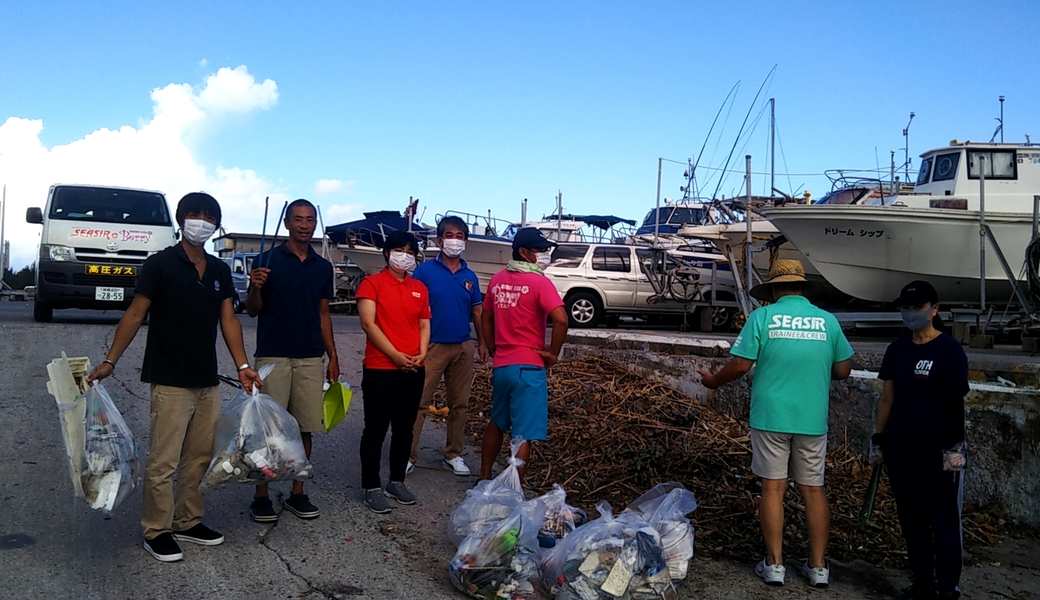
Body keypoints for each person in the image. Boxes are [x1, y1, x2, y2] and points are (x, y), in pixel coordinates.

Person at [87, 192, 262, 563]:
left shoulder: (218, 271)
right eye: (194, 215)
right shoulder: (160, 264)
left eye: (209, 216)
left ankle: (187, 520)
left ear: (216, 224)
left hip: (206, 380)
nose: (201, 221)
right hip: (170, 380)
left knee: (199, 456)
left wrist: (243, 366)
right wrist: (110, 360)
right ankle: (157, 529)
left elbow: (229, 319)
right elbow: (135, 314)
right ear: (181, 221)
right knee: (164, 461)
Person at [697, 259, 853, 588]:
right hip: (811, 418)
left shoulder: (763, 317)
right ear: (803, 288)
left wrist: (712, 382)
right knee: (813, 489)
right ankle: (819, 567)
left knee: (773, 488)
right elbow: (843, 370)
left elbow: (740, 365)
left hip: (771, 416)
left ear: (774, 290)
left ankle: (774, 565)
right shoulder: (827, 321)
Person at [244, 199, 339, 522]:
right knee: (267, 429)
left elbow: (323, 313)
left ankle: (298, 491)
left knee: (305, 428)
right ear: (286, 223)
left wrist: (333, 356)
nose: (304, 225)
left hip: (311, 356)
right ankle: (261, 495)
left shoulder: (323, 266)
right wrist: (254, 286)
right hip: (273, 354)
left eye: (309, 219)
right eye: (297, 219)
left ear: (315, 224)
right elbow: (253, 308)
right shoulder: (265, 260)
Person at [875, 280, 968, 600]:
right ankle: (922, 581)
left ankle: (947, 586)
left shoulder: (949, 350)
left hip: (941, 449)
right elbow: (887, 398)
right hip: (902, 447)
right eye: (906, 308)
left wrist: (956, 448)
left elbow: (956, 402)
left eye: (918, 308)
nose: (911, 314)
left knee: (943, 516)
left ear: (934, 310)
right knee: (912, 518)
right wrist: (879, 438)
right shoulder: (897, 350)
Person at [479, 227, 567, 484]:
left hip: (503, 364)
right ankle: (513, 489)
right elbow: (561, 320)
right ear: (524, 253)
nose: (544, 255)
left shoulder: (497, 279)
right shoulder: (540, 282)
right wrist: (552, 353)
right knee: (522, 434)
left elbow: (486, 316)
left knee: (496, 422)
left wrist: (494, 346)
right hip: (528, 367)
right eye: (540, 251)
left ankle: (484, 478)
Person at [356, 230, 431, 513]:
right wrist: (396, 356)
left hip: (414, 367)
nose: (405, 256)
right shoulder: (371, 283)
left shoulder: (419, 288)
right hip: (381, 367)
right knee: (376, 428)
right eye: (400, 250)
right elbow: (368, 324)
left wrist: (421, 353)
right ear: (387, 253)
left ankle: (396, 480)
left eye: (411, 251)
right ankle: (371, 485)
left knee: (404, 428)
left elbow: (424, 323)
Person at [408, 216, 487, 476]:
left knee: (460, 404)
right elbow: (412, 310)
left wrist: (483, 343)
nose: (455, 239)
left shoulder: (470, 276)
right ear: (440, 240)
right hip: (431, 346)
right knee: (418, 402)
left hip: (463, 346)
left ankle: (453, 454)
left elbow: (477, 312)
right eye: (450, 235)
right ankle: (408, 455)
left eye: (460, 235)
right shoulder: (424, 271)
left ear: (466, 240)